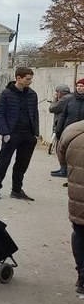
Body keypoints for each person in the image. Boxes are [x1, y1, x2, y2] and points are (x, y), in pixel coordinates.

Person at [0, 67, 39, 201]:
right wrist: (5, 133)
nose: (30, 82)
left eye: (31, 79)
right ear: (18, 78)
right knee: (4, 161)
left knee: (22, 163)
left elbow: (35, 114)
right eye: (27, 79)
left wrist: (35, 133)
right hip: (12, 134)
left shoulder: (32, 94)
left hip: (28, 134)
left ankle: (17, 190)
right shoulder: (6, 94)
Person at [57, 119, 84, 294]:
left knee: (80, 232)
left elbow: (62, 158)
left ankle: (82, 276)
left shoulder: (72, 130)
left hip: (78, 193)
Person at [52, 79, 84, 178]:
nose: (79, 88)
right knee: (63, 150)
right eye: (78, 85)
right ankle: (64, 169)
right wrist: (59, 129)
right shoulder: (70, 99)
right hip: (68, 130)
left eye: (82, 86)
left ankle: (75, 173)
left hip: (81, 132)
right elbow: (63, 115)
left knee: (78, 154)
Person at [51, 84, 73, 177]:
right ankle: (64, 169)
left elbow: (52, 108)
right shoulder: (72, 97)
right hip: (67, 126)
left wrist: (54, 99)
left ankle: (64, 170)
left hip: (62, 126)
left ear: (60, 92)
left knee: (60, 148)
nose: (56, 94)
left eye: (57, 92)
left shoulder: (64, 99)